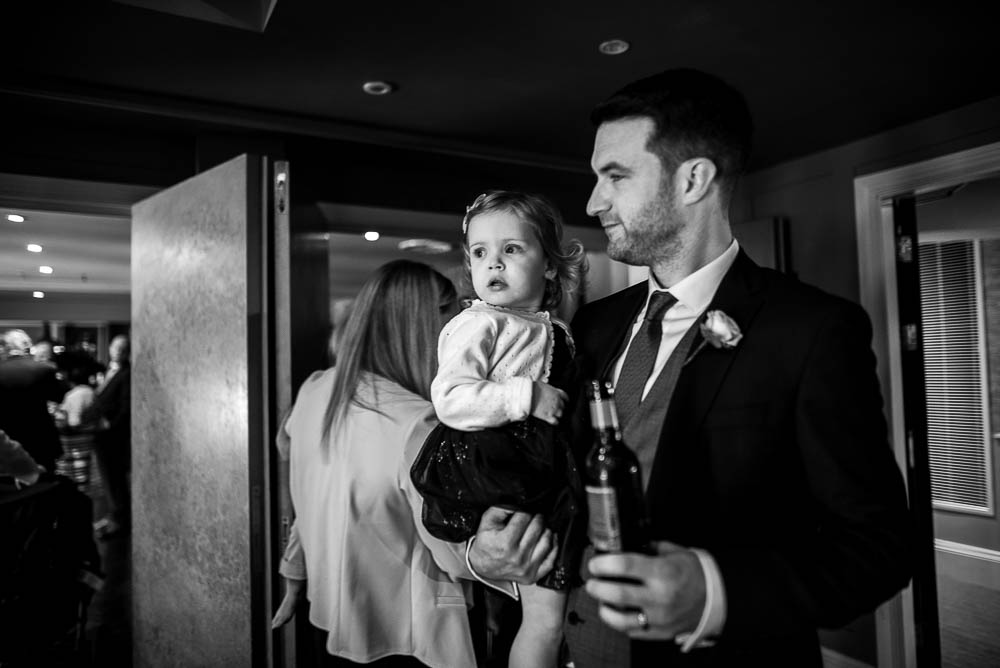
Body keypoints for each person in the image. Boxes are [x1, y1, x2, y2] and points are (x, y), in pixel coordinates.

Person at [518, 68, 910, 667]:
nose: (594, 201)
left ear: (693, 179)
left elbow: (878, 548)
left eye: (615, 177)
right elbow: (561, 483)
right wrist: (496, 546)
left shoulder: (811, 330)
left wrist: (714, 592)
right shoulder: (592, 327)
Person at [271, 259, 487, 667]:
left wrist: (295, 570)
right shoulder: (416, 423)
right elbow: (455, 556)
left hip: (327, 617)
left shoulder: (316, 389)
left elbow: (310, 500)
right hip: (405, 638)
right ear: (427, 326)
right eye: (455, 321)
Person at [408, 190, 587, 668]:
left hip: (536, 464)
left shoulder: (551, 327)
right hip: (495, 466)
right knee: (544, 616)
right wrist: (524, 395)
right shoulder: (479, 324)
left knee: (551, 613)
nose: (494, 265)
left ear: (549, 265)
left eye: (511, 250)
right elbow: (449, 397)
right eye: (481, 253)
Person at [0, 329, 67, 472]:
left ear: (6, 347)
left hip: (6, 443)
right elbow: (59, 397)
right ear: (26, 346)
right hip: (40, 441)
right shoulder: (43, 369)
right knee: (44, 485)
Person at [84, 334, 131, 538]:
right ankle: (115, 517)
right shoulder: (107, 370)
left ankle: (120, 520)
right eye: (116, 348)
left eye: (123, 349)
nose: (119, 352)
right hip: (101, 434)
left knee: (114, 479)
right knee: (108, 479)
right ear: (110, 348)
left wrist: (110, 423)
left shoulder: (127, 373)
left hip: (113, 436)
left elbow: (126, 405)